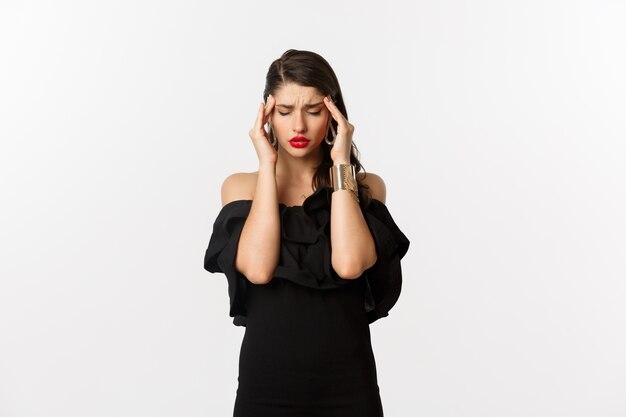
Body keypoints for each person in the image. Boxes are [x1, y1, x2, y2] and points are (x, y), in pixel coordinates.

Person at [204, 49, 409, 417]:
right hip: (266, 385)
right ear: (267, 115)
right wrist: (267, 165)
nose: (298, 126)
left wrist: (341, 163)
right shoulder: (240, 187)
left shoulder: (363, 188)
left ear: (334, 115)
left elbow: (349, 264)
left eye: (313, 111)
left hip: (349, 386)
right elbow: (258, 269)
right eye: (284, 112)